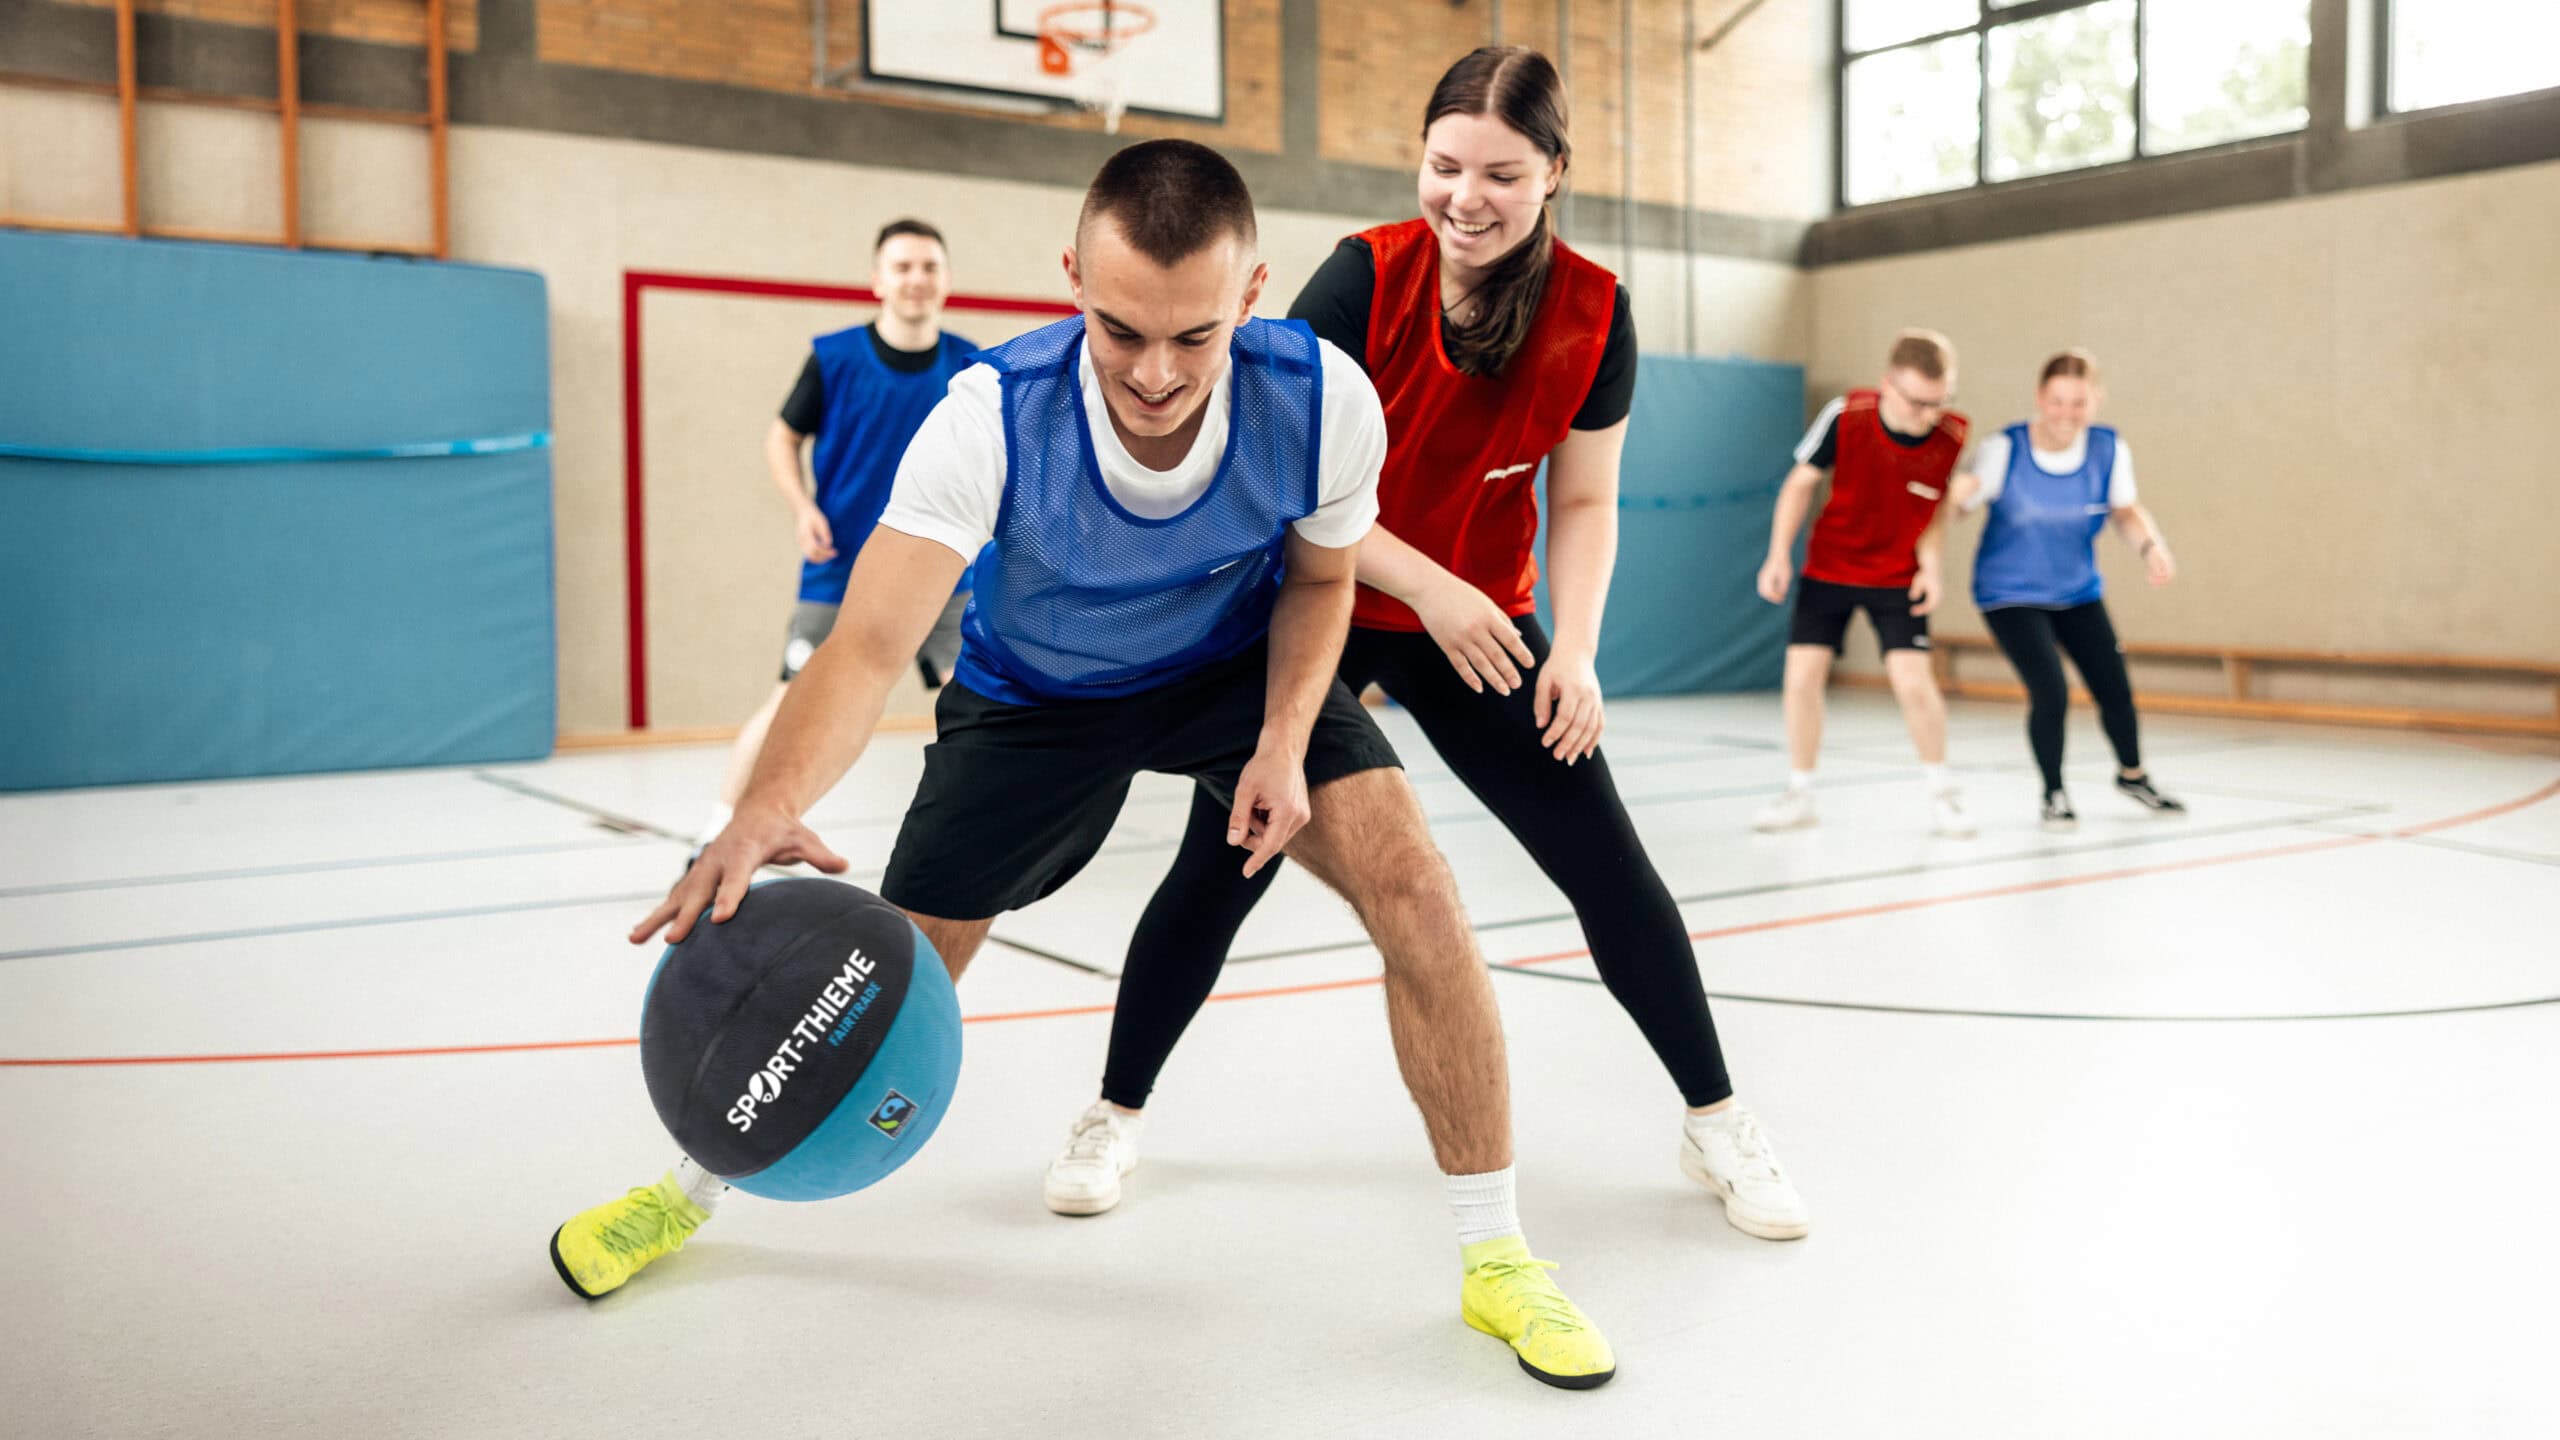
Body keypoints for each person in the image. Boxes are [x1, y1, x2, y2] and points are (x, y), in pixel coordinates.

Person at [549, 140, 1618, 1391]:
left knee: (1419, 888)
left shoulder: (1321, 397)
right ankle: (688, 1189)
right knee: (891, 960)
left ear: (1253, 293)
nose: (1156, 374)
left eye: (1195, 338)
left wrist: (1280, 742)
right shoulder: (990, 417)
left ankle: (1496, 1259)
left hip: (1230, 670)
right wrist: (760, 808)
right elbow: (865, 648)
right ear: (1070, 279)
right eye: (1120, 332)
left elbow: (1324, 578)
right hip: (1038, 698)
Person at [1043, 46, 1808, 1248]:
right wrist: (1440, 591)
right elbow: (1281, 482)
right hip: (1321, 608)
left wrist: (1579, 652)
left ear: (1553, 172)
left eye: (1500, 172)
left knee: (1608, 867)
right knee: (1222, 865)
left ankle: (1715, 1118)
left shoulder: (1596, 312)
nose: (1465, 196)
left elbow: (1591, 501)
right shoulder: (1359, 280)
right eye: (1443, 165)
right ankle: (1113, 1110)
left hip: (1485, 622)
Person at [699, 219, 977, 848]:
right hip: (841, 568)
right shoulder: (835, 358)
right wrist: (802, 505)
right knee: (789, 701)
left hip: (943, 573)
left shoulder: (970, 367)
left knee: (971, 710)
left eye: (929, 267)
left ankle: (975, 837)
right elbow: (782, 436)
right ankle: (719, 833)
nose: (916, 279)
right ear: (878, 280)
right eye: (902, 267)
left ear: (947, 281)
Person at [1752, 330, 1976, 838]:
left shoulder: (1952, 436)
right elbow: (1800, 483)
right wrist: (1777, 555)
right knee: (1803, 680)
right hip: (1829, 568)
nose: (1928, 414)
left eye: (1938, 402)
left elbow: (1933, 508)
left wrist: (1931, 567)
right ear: (1887, 385)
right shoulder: (1845, 415)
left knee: (1914, 685)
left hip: (1896, 576)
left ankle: (1945, 794)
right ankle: (1800, 791)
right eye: (1917, 401)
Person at [1953, 349, 2184, 827]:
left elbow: (2125, 510)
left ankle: (2132, 775)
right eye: (2058, 402)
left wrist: (2152, 547)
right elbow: (1957, 504)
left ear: (2095, 400)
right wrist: (1952, 495)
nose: (2067, 413)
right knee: (2051, 690)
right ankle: (2053, 792)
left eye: (2078, 402)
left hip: (2076, 590)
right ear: (2041, 398)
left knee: (2114, 687)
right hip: (2009, 593)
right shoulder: (2003, 450)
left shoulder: (2107, 449)